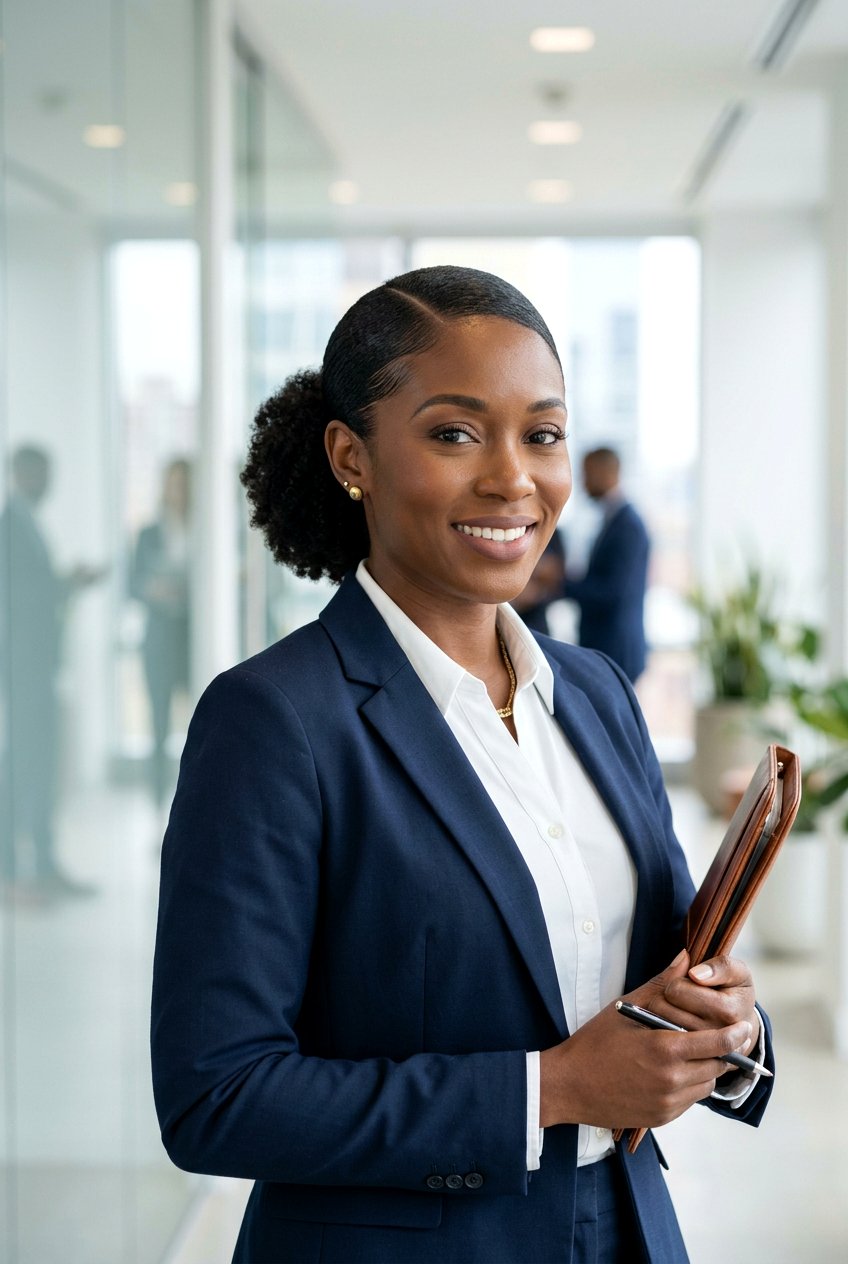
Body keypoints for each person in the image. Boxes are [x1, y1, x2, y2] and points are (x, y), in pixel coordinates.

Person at [151, 267, 773, 1264]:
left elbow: (651, 967)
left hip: (623, 1235)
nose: (511, 479)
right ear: (351, 455)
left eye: (542, 433)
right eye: (453, 432)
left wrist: (724, 1026)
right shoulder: (274, 720)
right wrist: (555, 1089)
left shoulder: (598, 695)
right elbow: (214, 1093)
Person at [0, 445, 103, 897]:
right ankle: (23, 867)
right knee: (27, 762)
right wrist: (66, 584)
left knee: (30, 761)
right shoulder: (11, 525)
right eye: (41, 474)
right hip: (24, 665)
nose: (47, 483)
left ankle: (36, 862)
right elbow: (21, 596)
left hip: (35, 664)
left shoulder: (26, 523)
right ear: (22, 474)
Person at [130, 458, 191, 809]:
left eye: (184, 483)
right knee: (158, 724)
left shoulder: (206, 532)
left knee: (202, 720)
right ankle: (158, 808)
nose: (178, 490)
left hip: (191, 639)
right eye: (173, 482)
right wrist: (156, 590)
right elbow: (133, 586)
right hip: (159, 641)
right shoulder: (148, 534)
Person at [565, 448, 650, 683]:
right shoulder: (613, 519)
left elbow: (613, 592)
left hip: (616, 649)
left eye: (587, 474)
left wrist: (560, 584)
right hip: (606, 647)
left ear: (606, 472)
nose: (583, 483)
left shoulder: (627, 525)